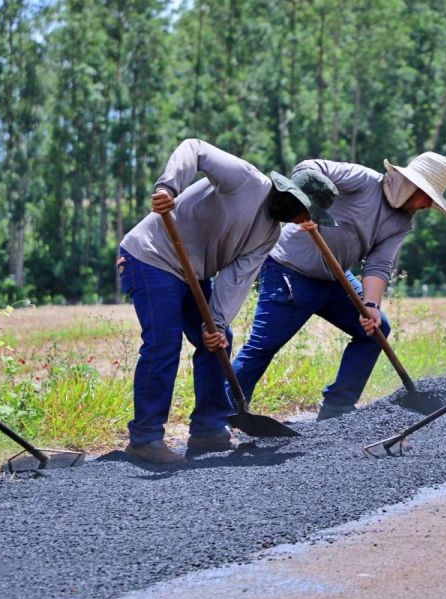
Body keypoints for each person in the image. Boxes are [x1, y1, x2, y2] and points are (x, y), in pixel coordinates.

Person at [117, 139, 331, 464]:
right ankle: (145, 438)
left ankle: (207, 430)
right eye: (304, 212)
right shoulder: (245, 179)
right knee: (163, 343)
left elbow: (235, 280)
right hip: (151, 256)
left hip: (191, 274)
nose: (302, 221)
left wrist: (214, 324)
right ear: (290, 196)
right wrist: (168, 188)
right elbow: (195, 148)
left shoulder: (269, 235)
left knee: (218, 341)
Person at [230, 153, 446, 421]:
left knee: (376, 328)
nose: (428, 205)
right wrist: (305, 201)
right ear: (412, 185)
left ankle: (338, 407)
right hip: (291, 269)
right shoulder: (363, 180)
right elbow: (310, 167)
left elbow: (379, 263)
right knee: (263, 346)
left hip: (336, 277)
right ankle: (223, 414)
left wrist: (370, 306)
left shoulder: (402, 222)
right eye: (428, 197)